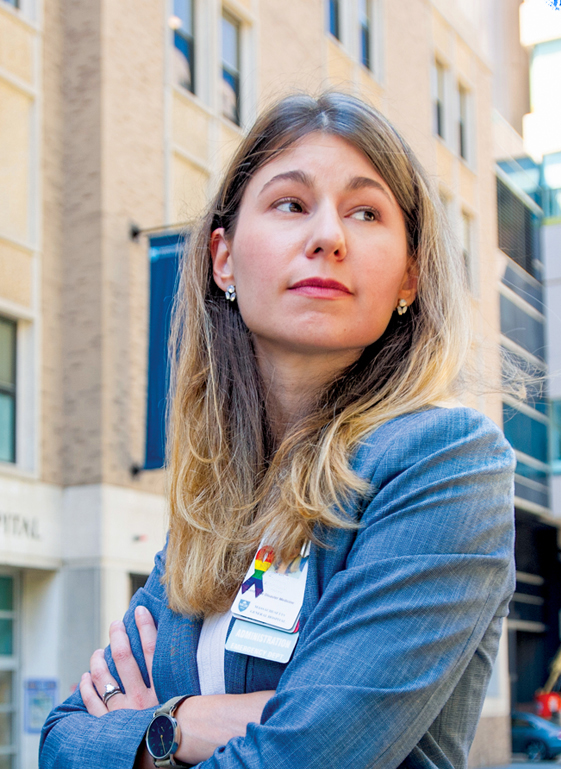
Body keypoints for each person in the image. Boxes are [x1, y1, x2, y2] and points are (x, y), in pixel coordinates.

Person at [38, 91, 517, 769]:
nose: (328, 236)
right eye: (291, 204)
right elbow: (61, 739)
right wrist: (235, 720)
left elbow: (306, 753)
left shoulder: (447, 463)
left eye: (366, 212)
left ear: (410, 275)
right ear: (224, 259)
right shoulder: (212, 511)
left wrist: (161, 724)